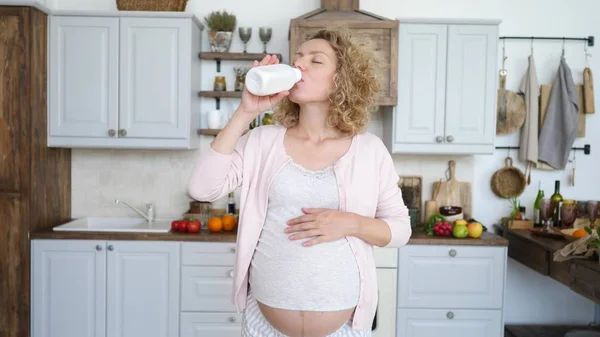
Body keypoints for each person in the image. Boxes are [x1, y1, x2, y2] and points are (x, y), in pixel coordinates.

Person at [188, 29, 411, 337]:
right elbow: (202, 189)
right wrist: (246, 112)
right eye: (298, 58)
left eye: (315, 60)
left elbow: (400, 229)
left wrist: (351, 224)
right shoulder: (262, 141)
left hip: (344, 330)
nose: (300, 65)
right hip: (263, 325)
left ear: (341, 79)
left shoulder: (369, 150)